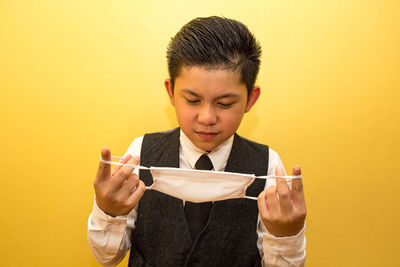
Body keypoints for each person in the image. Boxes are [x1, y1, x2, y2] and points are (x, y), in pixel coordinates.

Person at [87, 16, 306, 267]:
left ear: (250, 100)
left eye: (225, 104)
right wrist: (107, 212)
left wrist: (286, 235)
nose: (207, 118)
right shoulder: (140, 154)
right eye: (192, 100)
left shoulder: (268, 167)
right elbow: (106, 257)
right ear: (171, 92)